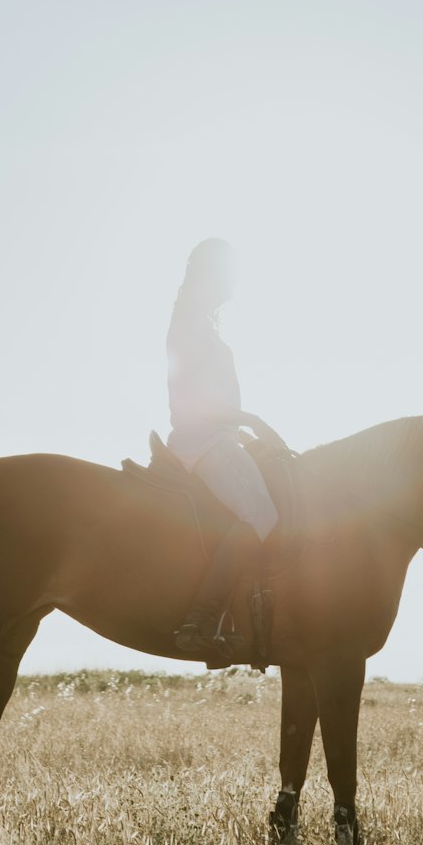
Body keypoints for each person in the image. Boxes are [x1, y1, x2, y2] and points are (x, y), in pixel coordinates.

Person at [167, 238, 281, 656]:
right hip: (203, 440)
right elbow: (192, 402)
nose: (235, 282)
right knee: (263, 514)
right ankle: (199, 621)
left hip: (220, 437)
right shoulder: (190, 326)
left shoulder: (199, 325)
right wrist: (250, 420)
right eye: (229, 272)